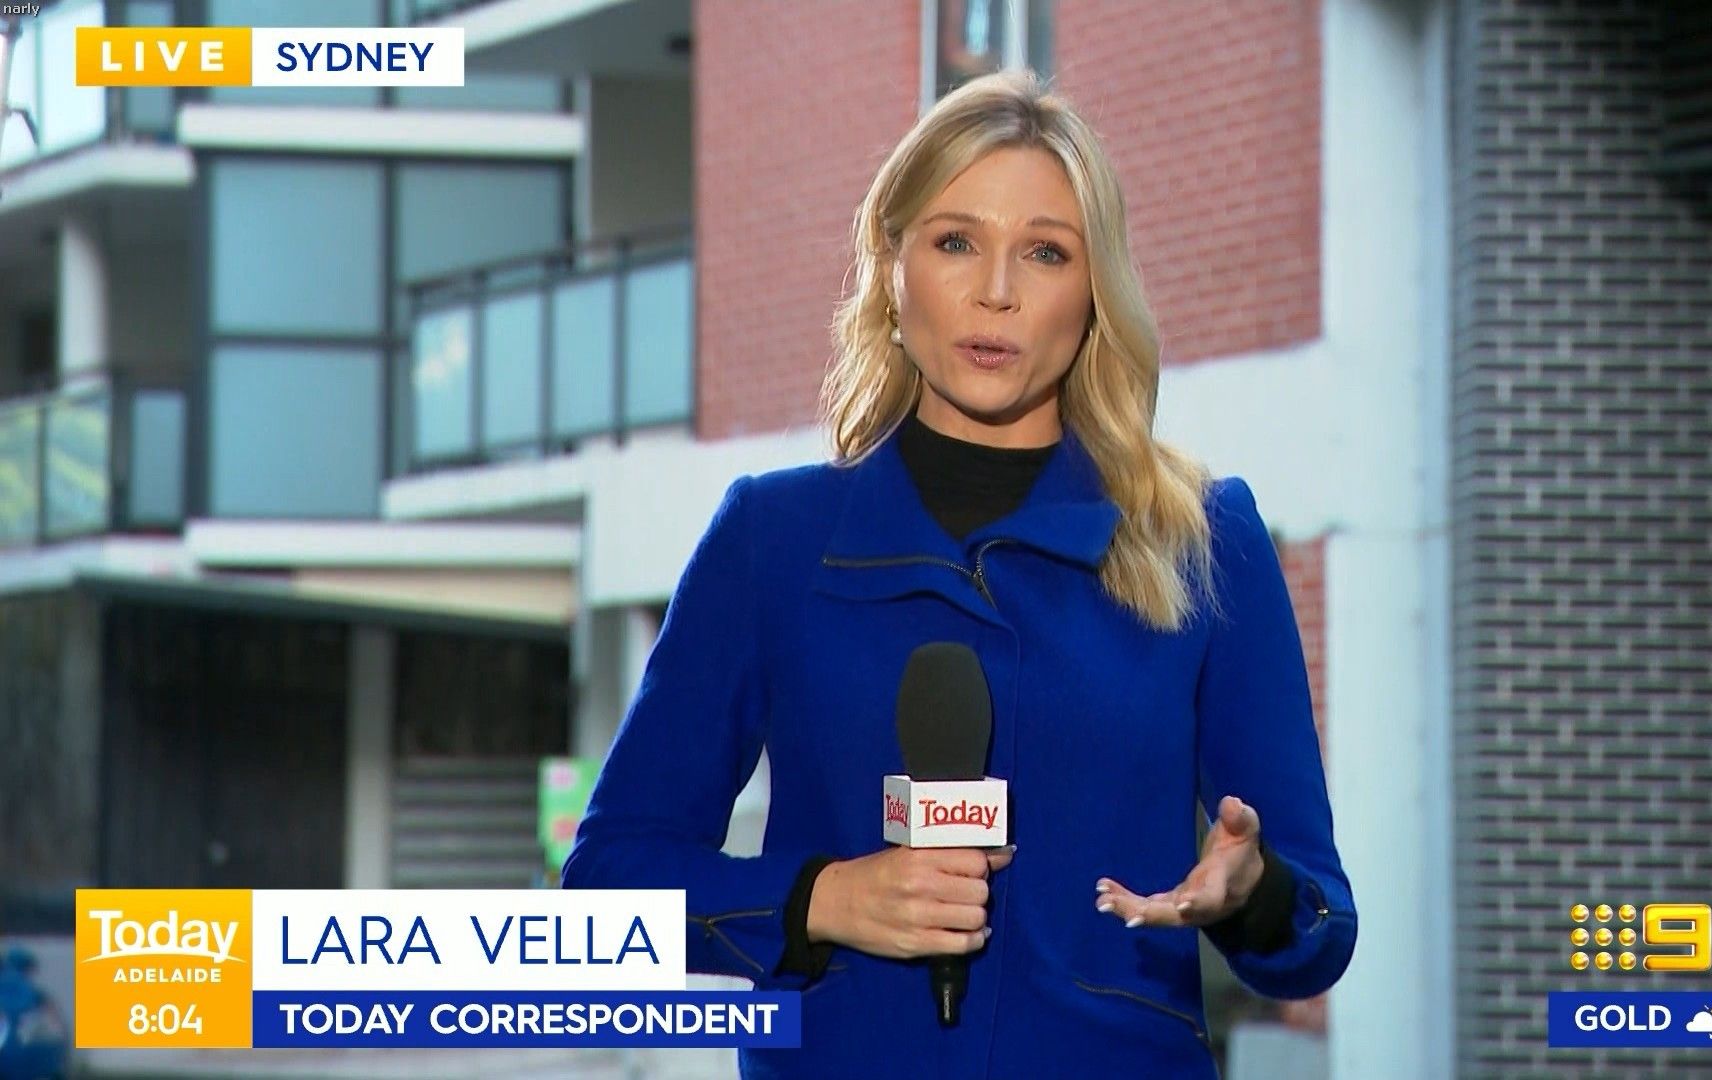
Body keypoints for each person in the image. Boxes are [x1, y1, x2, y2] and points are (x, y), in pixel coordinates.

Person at [562, 69, 1357, 1078]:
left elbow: (1320, 929)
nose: (996, 290)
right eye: (955, 242)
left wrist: (1256, 893)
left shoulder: (1205, 540)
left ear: (1094, 294)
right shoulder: (771, 538)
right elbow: (607, 883)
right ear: (893, 268)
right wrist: (821, 900)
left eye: (1045, 251)